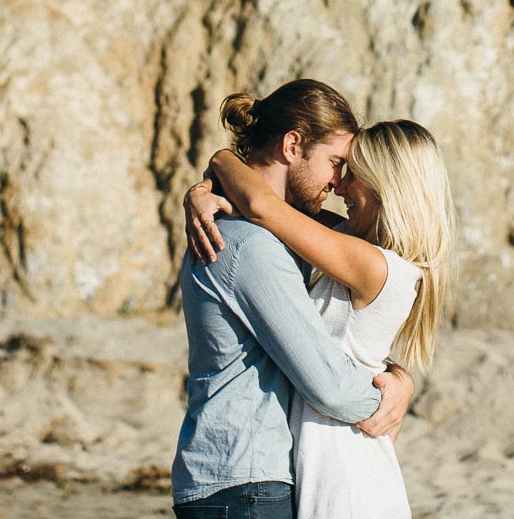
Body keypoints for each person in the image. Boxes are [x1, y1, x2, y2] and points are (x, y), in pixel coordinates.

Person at [187, 117, 455, 519]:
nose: (341, 186)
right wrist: (202, 190)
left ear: (387, 186)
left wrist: (221, 158)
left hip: (344, 468)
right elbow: (269, 204)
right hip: (327, 457)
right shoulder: (354, 244)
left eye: (354, 175)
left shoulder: (374, 264)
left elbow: (263, 207)